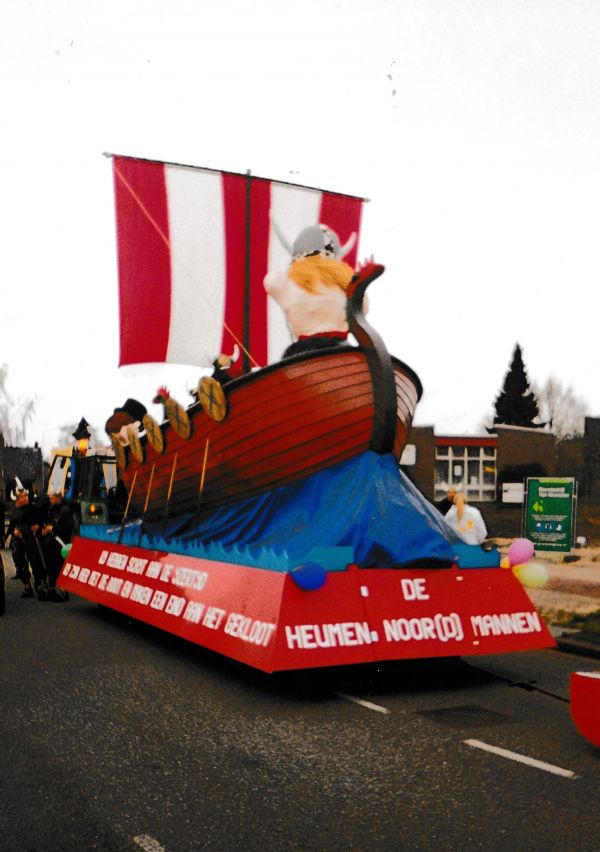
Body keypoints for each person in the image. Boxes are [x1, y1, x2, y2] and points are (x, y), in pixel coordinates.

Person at [7, 488, 45, 598]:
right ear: (17, 499)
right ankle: (27, 586)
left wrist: (39, 525)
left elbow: (43, 519)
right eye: (22, 497)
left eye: (26, 496)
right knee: (20, 562)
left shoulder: (33, 508)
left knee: (35, 560)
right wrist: (12, 532)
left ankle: (39, 583)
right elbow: (12, 525)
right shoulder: (14, 510)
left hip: (31, 538)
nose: (25, 498)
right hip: (18, 539)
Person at [41, 490, 74, 602]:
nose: (50, 501)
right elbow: (51, 523)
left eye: (52, 498)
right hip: (52, 543)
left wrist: (53, 529)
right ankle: (52, 590)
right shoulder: (53, 509)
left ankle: (64, 592)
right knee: (50, 566)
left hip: (60, 544)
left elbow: (68, 527)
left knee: (58, 567)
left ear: (57, 498)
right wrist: (47, 529)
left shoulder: (65, 510)